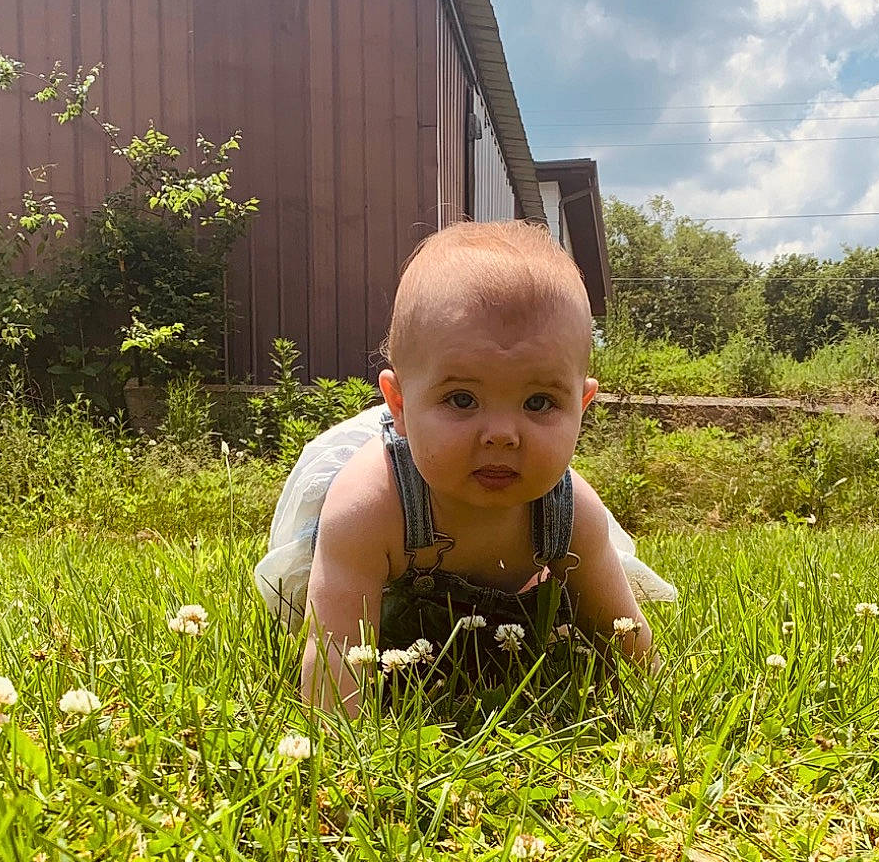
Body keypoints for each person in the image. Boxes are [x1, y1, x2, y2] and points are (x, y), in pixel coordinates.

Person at [254, 219, 676, 712]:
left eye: (539, 402)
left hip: (505, 622)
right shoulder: (372, 503)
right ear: (401, 406)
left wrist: (662, 706)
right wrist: (338, 758)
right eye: (461, 398)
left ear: (581, 408)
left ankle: (522, 608)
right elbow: (336, 648)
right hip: (377, 596)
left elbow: (623, 635)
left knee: (563, 621)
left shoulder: (570, 512)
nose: (502, 433)